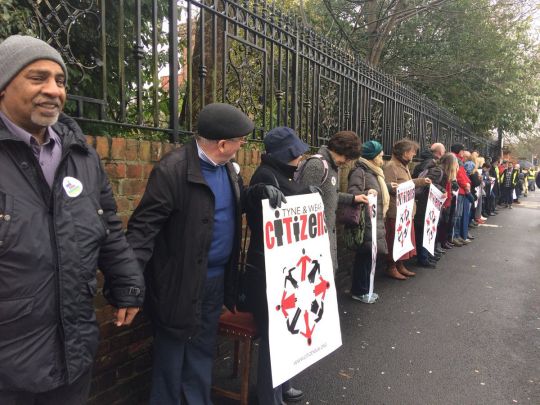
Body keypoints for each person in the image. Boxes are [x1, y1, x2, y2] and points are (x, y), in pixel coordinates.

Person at [0, 35, 144, 404]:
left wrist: (126, 282)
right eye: (38, 78)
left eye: (60, 81)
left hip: (73, 350)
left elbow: (107, 224)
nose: (53, 90)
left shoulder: (81, 155)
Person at [126, 103, 253, 405]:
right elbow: (142, 230)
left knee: (201, 349)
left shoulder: (229, 170)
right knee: (171, 355)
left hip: (215, 282)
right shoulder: (172, 170)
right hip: (177, 283)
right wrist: (128, 285)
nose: (242, 145)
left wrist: (258, 194)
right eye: (239, 140)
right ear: (223, 144)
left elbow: (229, 209)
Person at [243, 127, 312, 405]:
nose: (300, 157)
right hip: (266, 269)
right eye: (295, 153)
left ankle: (282, 386)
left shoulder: (280, 173)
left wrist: (308, 195)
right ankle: (269, 396)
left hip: (285, 267)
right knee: (274, 334)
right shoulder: (265, 176)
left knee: (286, 330)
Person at [296, 130, 368, 274]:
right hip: (314, 237)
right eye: (346, 157)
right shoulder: (317, 165)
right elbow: (303, 201)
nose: (346, 162)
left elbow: (331, 194)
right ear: (339, 149)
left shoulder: (333, 167)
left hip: (326, 233)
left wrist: (354, 198)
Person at [382, 139, 431, 280]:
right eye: (412, 151)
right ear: (404, 152)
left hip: (405, 211)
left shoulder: (403, 166)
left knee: (403, 240)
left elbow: (406, 184)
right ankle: (391, 266)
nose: (414, 154)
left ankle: (400, 264)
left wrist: (421, 181)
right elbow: (392, 188)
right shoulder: (391, 166)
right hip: (396, 211)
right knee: (394, 240)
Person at [348, 140, 390, 303]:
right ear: (372, 157)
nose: (382, 159)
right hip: (365, 221)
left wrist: (389, 187)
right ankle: (359, 290)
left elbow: (378, 188)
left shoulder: (374, 172)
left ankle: (364, 289)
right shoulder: (360, 171)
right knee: (364, 256)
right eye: (380, 155)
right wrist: (367, 191)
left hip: (374, 220)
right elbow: (353, 192)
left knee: (367, 256)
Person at [412, 142, 446, 268]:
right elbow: (430, 184)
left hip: (420, 201)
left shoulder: (421, 164)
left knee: (423, 230)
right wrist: (442, 191)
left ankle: (424, 256)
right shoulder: (433, 167)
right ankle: (423, 257)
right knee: (426, 229)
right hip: (426, 202)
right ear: (440, 153)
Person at [450, 144, 471, 246]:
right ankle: (454, 236)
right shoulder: (455, 159)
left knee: (458, 215)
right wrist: (466, 184)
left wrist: (467, 183)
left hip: (462, 190)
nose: (463, 153)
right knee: (456, 215)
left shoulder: (458, 159)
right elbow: (458, 175)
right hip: (459, 190)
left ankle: (457, 235)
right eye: (462, 150)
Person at [437, 153, 459, 249]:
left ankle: (443, 241)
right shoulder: (442, 172)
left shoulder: (448, 173)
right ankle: (440, 243)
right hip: (443, 201)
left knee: (446, 222)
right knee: (442, 224)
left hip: (448, 200)